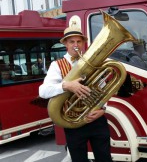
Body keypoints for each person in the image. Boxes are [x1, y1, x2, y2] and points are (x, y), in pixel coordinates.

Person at [39, 25, 113, 162]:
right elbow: (43, 91)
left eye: (79, 41)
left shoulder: (94, 63)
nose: (76, 45)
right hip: (73, 123)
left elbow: (104, 89)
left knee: (105, 159)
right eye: (72, 42)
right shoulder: (57, 65)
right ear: (66, 44)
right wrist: (67, 85)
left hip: (97, 119)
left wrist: (102, 108)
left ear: (83, 43)